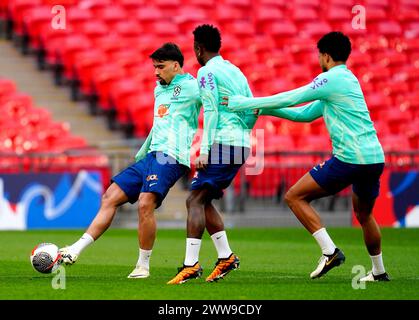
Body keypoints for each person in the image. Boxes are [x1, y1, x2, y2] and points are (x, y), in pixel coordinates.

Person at [224, 31, 390, 282]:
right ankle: (378, 272)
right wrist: (264, 108)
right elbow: (304, 114)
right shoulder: (348, 81)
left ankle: (330, 251)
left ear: (325, 55)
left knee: (294, 196)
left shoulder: (330, 79)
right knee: (365, 214)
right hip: (374, 158)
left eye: (319, 55)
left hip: (350, 158)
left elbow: (293, 97)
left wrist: (244, 103)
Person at [59, 43, 202, 279]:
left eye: (161, 67)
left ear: (176, 66)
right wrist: (143, 152)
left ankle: (143, 266)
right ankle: (75, 250)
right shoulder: (159, 90)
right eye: (154, 67)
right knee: (110, 196)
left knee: (146, 202)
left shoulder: (192, 87)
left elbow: (217, 102)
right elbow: (158, 126)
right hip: (152, 155)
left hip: (172, 155)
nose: (156, 72)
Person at [167, 24, 259, 285]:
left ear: (198, 48)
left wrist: (205, 150)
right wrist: (243, 132)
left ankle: (190, 265)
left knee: (194, 200)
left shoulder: (206, 72)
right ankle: (226, 257)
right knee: (202, 200)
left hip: (223, 144)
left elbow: (211, 111)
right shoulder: (236, 71)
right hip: (240, 144)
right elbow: (254, 108)